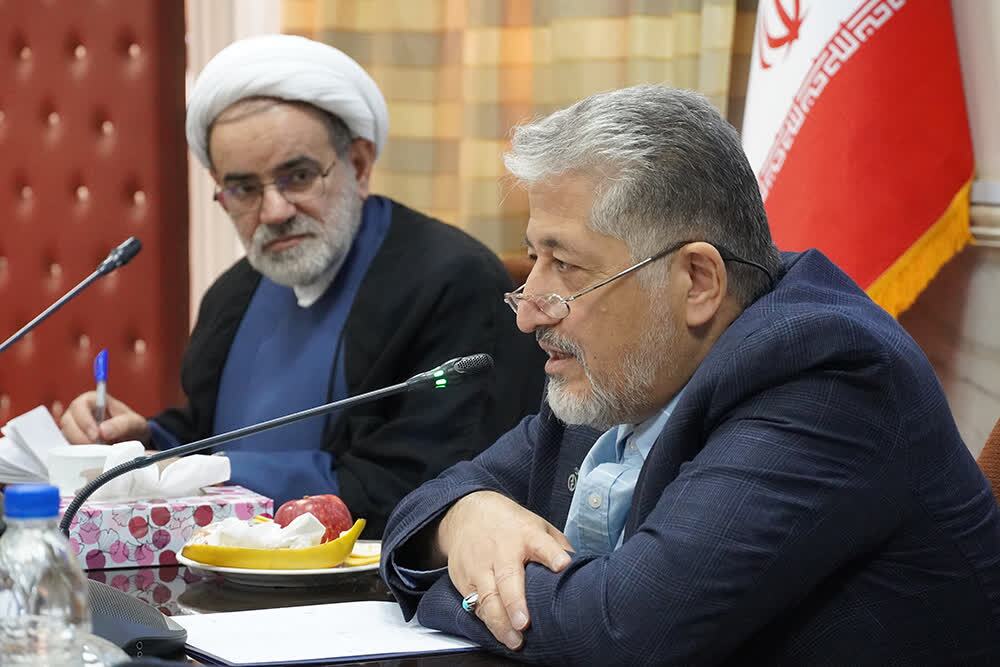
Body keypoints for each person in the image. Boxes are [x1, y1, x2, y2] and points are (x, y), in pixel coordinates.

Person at [380, 85, 1000, 664]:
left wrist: (458, 586)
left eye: (564, 265)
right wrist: (469, 516)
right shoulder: (626, 365)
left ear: (698, 281)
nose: (528, 311)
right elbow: (422, 508)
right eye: (534, 257)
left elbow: (624, 630)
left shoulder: (826, 373)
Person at [60, 35, 545, 537]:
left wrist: (212, 473)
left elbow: (426, 489)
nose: (274, 212)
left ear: (359, 165)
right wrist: (147, 441)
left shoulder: (451, 281)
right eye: (244, 188)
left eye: (297, 177)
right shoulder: (233, 294)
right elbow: (209, 431)